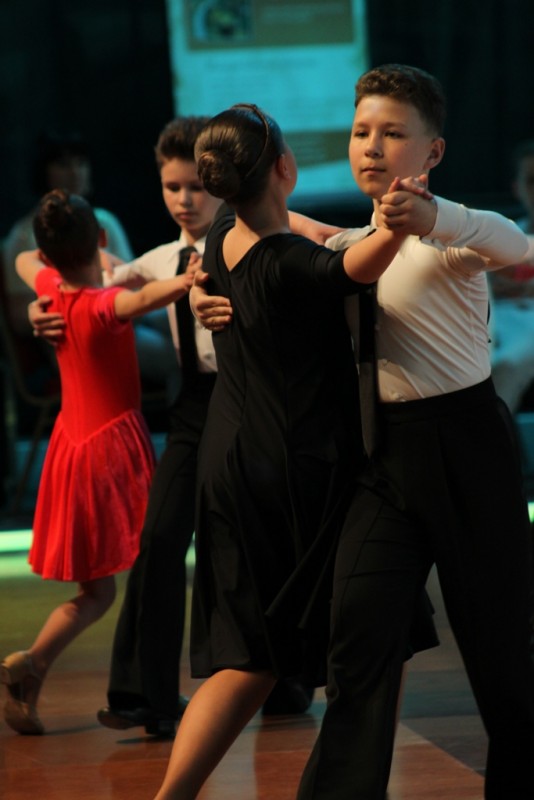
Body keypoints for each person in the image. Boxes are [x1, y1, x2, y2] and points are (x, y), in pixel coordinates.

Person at [193, 66, 534, 799]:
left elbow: (515, 245)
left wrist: (437, 217)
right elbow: (271, 243)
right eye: (360, 132)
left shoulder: (452, 235)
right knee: (357, 643)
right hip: (381, 459)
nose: (371, 146)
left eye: (392, 133)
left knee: (503, 656)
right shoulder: (345, 241)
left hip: (469, 450)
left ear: (432, 152)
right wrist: (207, 292)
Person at [151, 102, 436, 800]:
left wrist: (202, 290)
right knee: (374, 623)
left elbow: (310, 236)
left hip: (231, 456)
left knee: (251, 655)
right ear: (286, 167)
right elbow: (361, 261)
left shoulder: (223, 236)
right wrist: (407, 209)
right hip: (293, 467)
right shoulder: (295, 266)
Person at [28, 117, 321, 736]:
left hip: (256, 400)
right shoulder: (159, 261)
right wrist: (42, 306)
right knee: (159, 537)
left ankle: (284, 677)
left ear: (219, 181)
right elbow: (55, 268)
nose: (185, 200)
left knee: (257, 539)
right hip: (193, 406)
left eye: (195, 186)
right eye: (171, 187)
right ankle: (145, 695)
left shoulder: (260, 240)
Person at [0, 188, 196, 736]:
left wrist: (48, 276)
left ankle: (31, 664)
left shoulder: (50, 290)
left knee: (97, 592)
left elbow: (22, 260)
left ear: (49, 256)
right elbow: (142, 299)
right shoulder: (100, 304)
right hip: (110, 453)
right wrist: (186, 280)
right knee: (155, 565)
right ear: (103, 239)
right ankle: (153, 685)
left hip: (70, 450)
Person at [2, 130, 177, 399]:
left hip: (126, 315)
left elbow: (136, 286)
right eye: (63, 164)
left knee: (179, 321)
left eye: (80, 163)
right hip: (84, 333)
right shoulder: (25, 234)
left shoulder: (104, 221)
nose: (74, 172)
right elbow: (19, 314)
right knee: (178, 354)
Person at [488, 138, 534, 413]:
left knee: (507, 363)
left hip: (528, 327)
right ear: (517, 188)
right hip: (495, 320)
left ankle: (495, 432)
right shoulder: (505, 235)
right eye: (531, 181)